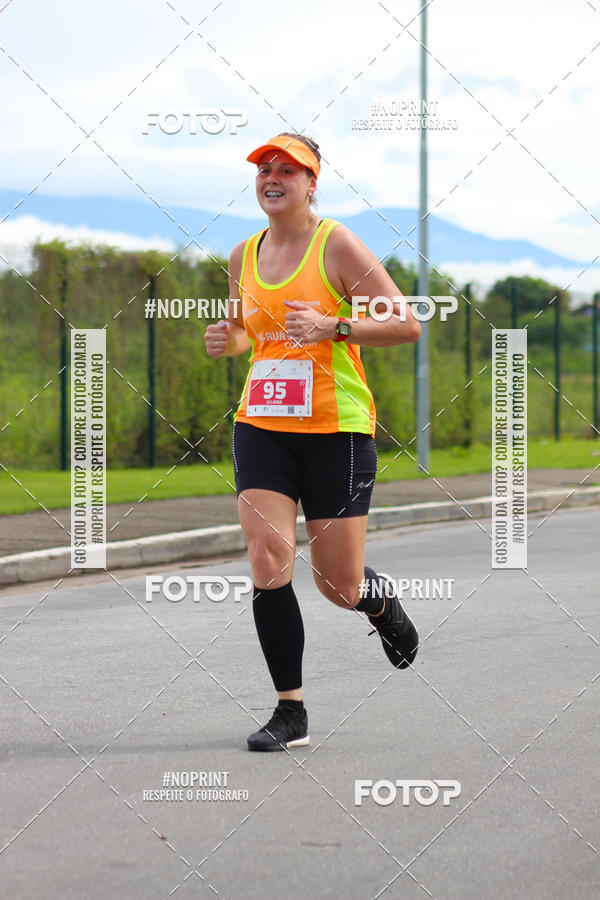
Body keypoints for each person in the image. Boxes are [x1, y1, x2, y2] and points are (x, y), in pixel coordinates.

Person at [204, 133, 421, 752]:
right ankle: (289, 711)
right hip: (263, 425)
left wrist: (335, 326)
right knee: (268, 556)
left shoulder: (338, 243)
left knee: (338, 585)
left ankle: (378, 605)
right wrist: (230, 339)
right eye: (263, 169)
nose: (272, 178)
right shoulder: (243, 253)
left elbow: (405, 324)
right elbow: (252, 333)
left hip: (336, 431)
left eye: (287, 170)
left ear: (311, 183)